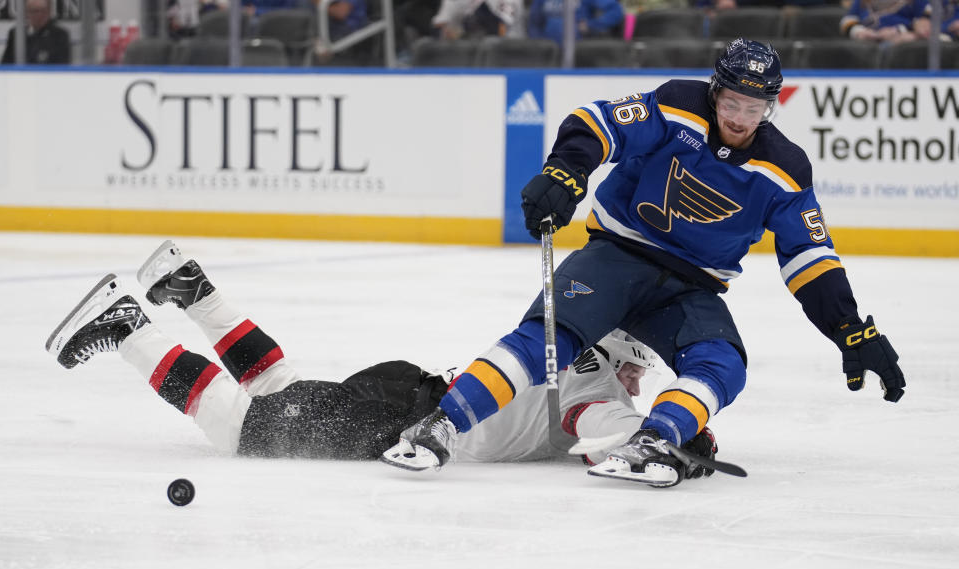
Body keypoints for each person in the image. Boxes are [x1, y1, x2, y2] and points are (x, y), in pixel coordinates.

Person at [382, 38, 906, 488]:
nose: (740, 117)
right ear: (714, 90)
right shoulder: (676, 105)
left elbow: (811, 258)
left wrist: (849, 328)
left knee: (724, 363)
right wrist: (567, 171)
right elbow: (599, 122)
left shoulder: (786, 170)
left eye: (755, 106)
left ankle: (654, 440)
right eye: (732, 100)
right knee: (548, 335)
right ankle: (440, 426)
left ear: (770, 106)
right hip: (616, 256)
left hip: (688, 288)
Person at [46, 241, 711, 469]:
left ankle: (190, 286)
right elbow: (608, 438)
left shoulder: (563, 342)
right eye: (640, 361)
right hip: (400, 421)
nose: (639, 375)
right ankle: (128, 324)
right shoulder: (600, 394)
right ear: (619, 343)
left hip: (409, 385)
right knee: (246, 429)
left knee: (284, 387)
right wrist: (674, 438)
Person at [0, 0, 71, 65]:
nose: (38, 15)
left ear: (48, 11)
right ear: (27, 12)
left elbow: (61, 67)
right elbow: (6, 64)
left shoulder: (59, 35)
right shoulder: (16, 34)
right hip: (19, 77)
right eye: (33, 11)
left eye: (41, 10)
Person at [527, 0, 625, 44]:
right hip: (549, 52)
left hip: (579, 50)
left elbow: (616, 11)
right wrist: (540, 43)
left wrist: (591, 25)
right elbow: (534, 23)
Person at [841, 0, 928, 42]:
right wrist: (859, 31)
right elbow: (848, 19)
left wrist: (900, 30)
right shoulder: (861, 1)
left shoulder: (917, 2)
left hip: (900, 41)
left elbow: (925, 24)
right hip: (868, 40)